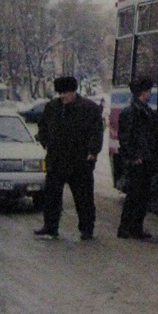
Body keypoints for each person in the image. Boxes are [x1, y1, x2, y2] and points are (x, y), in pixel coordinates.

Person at [34, 76, 103, 241]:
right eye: (60, 93)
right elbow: (42, 126)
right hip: (56, 159)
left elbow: (96, 132)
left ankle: (87, 229)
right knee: (51, 196)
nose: (62, 96)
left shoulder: (89, 108)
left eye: (65, 93)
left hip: (79, 160)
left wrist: (93, 152)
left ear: (73, 92)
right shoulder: (52, 107)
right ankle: (50, 227)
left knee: (83, 197)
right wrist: (45, 142)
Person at [117, 76, 158, 239]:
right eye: (148, 91)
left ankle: (136, 228)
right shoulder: (132, 112)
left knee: (142, 196)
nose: (150, 94)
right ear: (142, 93)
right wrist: (133, 157)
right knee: (134, 196)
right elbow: (125, 138)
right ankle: (126, 228)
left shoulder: (143, 109)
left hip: (145, 159)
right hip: (138, 161)